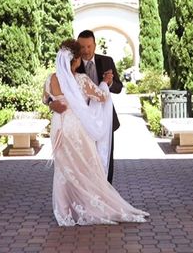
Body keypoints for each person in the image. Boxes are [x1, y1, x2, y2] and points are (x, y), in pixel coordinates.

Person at [44, 39, 149, 226]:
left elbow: (46, 99)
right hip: (77, 129)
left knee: (62, 170)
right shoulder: (81, 80)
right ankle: (87, 206)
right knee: (86, 168)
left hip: (59, 128)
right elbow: (101, 97)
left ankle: (65, 212)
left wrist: (53, 104)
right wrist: (104, 83)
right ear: (75, 60)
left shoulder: (51, 79)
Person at [48, 29, 123, 184]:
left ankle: (105, 192)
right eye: (82, 47)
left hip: (104, 122)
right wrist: (51, 104)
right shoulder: (73, 66)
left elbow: (118, 87)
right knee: (82, 163)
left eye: (89, 46)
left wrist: (108, 83)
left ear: (95, 45)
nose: (86, 50)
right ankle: (86, 195)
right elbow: (51, 96)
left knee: (105, 158)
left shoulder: (107, 61)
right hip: (80, 124)